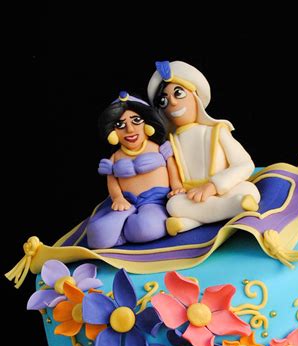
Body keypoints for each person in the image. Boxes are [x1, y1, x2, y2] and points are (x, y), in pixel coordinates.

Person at [147, 60, 261, 236]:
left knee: (249, 190)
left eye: (178, 93)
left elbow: (245, 164)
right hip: (191, 196)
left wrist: (213, 186)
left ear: (195, 97)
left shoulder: (217, 130)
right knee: (173, 205)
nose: (173, 103)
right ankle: (234, 208)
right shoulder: (170, 143)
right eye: (164, 100)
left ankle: (189, 222)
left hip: (225, 190)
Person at [87, 91, 184, 248]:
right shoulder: (115, 157)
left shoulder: (159, 148)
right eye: (120, 125)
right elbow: (112, 181)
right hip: (126, 202)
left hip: (155, 202)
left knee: (147, 227)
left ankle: (124, 231)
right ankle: (123, 221)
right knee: (97, 234)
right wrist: (118, 198)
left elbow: (172, 167)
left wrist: (177, 186)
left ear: (147, 123)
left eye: (136, 120)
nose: (130, 130)